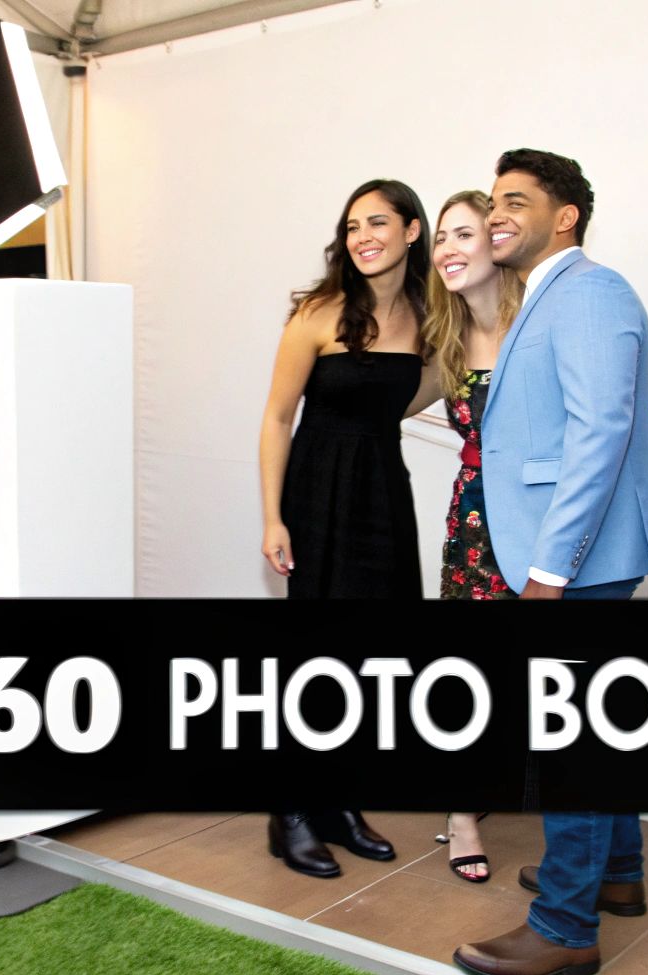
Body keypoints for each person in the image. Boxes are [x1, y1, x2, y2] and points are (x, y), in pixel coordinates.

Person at [452, 149, 648, 975]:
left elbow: (598, 433)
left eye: (516, 200)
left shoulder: (589, 292)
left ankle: (564, 926)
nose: (498, 213)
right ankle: (614, 877)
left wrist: (550, 568)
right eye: (495, 199)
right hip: (579, 551)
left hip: (576, 557)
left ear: (565, 216)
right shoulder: (547, 296)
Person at [255, 179, 431, 877]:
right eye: (353, 225)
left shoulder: (428, 317)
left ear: (412, 231)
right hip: (318, 495)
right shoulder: (318, 314)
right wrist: (272, 516)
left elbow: (450, 385)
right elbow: (275, 418)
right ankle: (290, 811)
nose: (363, 236)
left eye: (378, 222)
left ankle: (338, 803)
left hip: (384, 495)